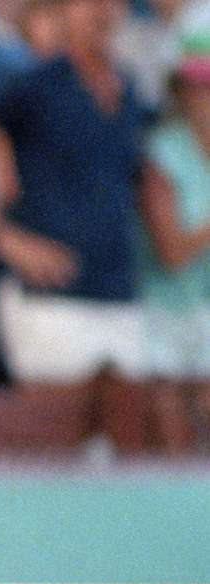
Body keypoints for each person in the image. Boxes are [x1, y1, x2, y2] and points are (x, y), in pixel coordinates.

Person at [0, 0, 150, 453]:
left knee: (129, 446)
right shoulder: (35, 85)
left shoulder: (129, 91)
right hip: (51, 297)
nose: (102, 11)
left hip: (119, 291)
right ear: (64, 11)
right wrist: (5, 237)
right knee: (53, 444)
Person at [137, 52, 210, 452]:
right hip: (162, 310)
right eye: (200, 88)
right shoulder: (163, 153)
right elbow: (172, 252)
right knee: (169, 422)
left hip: (204, 306)